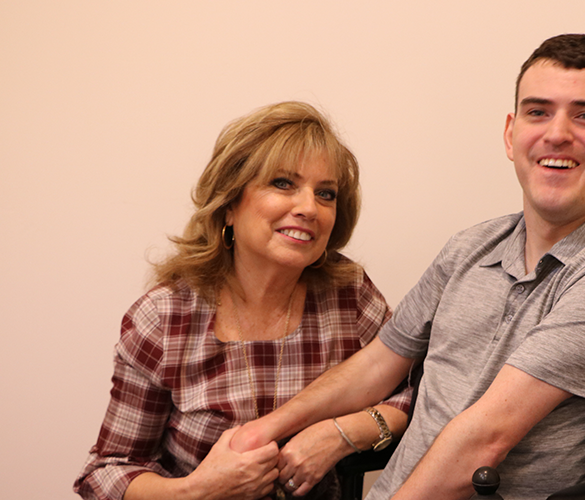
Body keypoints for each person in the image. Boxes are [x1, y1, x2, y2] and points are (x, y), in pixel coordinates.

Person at [232, 34, 585, 499]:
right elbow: (378, 365)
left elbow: (484, 442)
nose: (557, 133)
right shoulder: (471, 247)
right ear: (511, 133)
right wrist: (264, 430)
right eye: (538, 112)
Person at [74, 102, 412, 500]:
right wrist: (197, 490)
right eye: (284, 183)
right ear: (229, 204)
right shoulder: (165, 317)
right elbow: (105, 473)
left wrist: (340, 433)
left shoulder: (349, 294)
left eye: (326, 193)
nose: (308, 208)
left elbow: (412, 391)